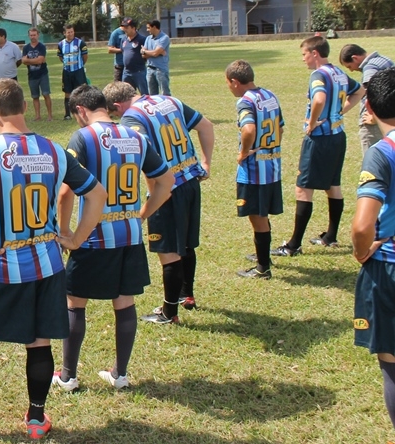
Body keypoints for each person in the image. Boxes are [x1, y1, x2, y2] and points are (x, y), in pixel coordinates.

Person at [0, 79, 105, 440]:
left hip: (3, 267)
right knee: (40, 342)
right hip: (48, 265)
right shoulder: (54, 151)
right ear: (25, 107)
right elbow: (97, 193)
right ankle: (36, 420)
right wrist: (76, 239)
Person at [55, 85, 173, 392]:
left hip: (94, 237)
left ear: (80, 110)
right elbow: (166, 181)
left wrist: (66, 233)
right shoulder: (136, 136)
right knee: (124, 302)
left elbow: (66, 191)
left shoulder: (83, 138)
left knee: (74, 301)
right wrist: (141, 215)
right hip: (130, 236)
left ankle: (68, 376)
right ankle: (120, 374)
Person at [104, 81, 214, 323]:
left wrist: (148, 204)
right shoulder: (169, 100)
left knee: (168, 251)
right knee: (185, 244)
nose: (116, 119)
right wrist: (206, 162)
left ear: (117, 105)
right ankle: (186, 295)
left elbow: (146, 154)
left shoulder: (131, 118)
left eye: (114, 114)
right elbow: (205, 126)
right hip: (190, 181)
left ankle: (169, 312)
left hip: (168, 189)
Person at [274, 35, 364, 256]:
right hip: (338, 136)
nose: (303, 58)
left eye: (304, 54)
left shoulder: (318, 75)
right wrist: (339, 112)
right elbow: (360, 91)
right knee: (333, 185)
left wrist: (312, 123)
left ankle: (293, 245)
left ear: (314, 53)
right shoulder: (338, 72)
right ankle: (330, 236)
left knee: (303, 188)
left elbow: (319, 99)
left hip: (320, 139)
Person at [350, 68, 395, 444]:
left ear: (370, 107)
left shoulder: (382, 152)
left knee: (392, 360)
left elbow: (363, 225)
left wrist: (362, 252)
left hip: (389, 268)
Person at [225, 61, 285, 280]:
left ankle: (262, 268)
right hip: (272, 165)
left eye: (228, 83)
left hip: (255, 171)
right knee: (262, 213)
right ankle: (264, 256)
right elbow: (280, 127)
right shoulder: (270, 95)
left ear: (235, 82)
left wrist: (243, 153)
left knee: (257, 217)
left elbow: (248, 129)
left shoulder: (245, 101)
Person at [340, 43, 395, 154]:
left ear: (355, 58)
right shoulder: (384, 60)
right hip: (390, 116)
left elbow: (371, 94)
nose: (351, 70)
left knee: (373, 157)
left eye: (349, 66)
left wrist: (373, 117)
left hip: (373, 125)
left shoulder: (370, 68)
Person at [56, 25, 88, 120]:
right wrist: (67, 64)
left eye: (72, 31)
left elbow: (85, 57)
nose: (70, 34)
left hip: (78, 71)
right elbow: (60, 57)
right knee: (67, 92)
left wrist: (79, 65)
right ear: (64, 33)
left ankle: (83, 113)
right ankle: (67, 114)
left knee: (81, 92)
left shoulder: (80, 43)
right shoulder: (61, 44)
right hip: (67, 72)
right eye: (68, 32)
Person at [22, 27, 53, 121]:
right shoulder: (26, 48)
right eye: (31, 35)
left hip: (43, 74)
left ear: (38, 35)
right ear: (29, 36)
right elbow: (23, 61)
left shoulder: (41, 46)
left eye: (34, 35)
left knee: (46, 94)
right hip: (32, 76)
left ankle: (50, 115)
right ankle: (37, 116)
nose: (33, 37)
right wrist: (34, 60)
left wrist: (29, 60)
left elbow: (40, 60)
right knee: (35, 96)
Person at [119, 18, 148, 96]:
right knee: (126, 95)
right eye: (124, 27)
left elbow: (146, 54)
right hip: (126, 72)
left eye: (127, 27)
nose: (124, 29)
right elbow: (123, 51)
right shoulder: (123, 39)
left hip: (139, 71)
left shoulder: (142, 39)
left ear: (133, 27)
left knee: (144, 94)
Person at [143, 20, 171, 95]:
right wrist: (156, 52)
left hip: (160, 69)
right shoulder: (148, 38)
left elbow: (155, 53)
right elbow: (143, 55)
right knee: (152, 95)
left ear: (154, 27)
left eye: (148, 28)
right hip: (150, 69)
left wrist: (146, 51)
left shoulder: (164, 38)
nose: (147, 30)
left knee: (165, 93)